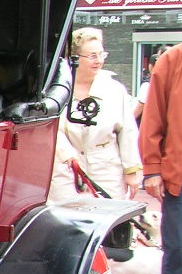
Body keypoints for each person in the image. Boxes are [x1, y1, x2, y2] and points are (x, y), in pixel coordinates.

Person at [49, 27, 141, 203]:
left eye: (101, 55)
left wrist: (131, 171)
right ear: (74, 58)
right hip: (66, 171)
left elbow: (128, 131)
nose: (98, 61)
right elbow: (51, 128)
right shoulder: (57, 91)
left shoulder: (114, 90)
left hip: (106, 170)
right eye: (92, 56)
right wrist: (65, 153)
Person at [140, 40, 182, 274]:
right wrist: (152, 168)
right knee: (178, 253)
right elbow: (153, 118)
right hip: (180, 176)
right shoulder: (172, 60)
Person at [136, 50, 161, 123]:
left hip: (148, 122)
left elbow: (141, 106)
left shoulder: (147, 85)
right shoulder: (167, 83)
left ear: (150, 66)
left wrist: (129, 120)